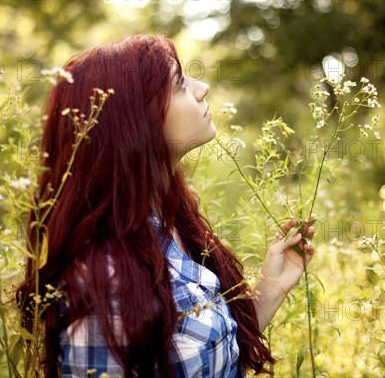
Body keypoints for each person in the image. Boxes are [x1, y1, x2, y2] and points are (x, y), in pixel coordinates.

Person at [17, 35, 315, 378]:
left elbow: (206, 361)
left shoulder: (172, 223)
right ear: (134, 121)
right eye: (179, 83)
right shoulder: (106, 288)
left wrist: (270, 289)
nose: (202, 88)